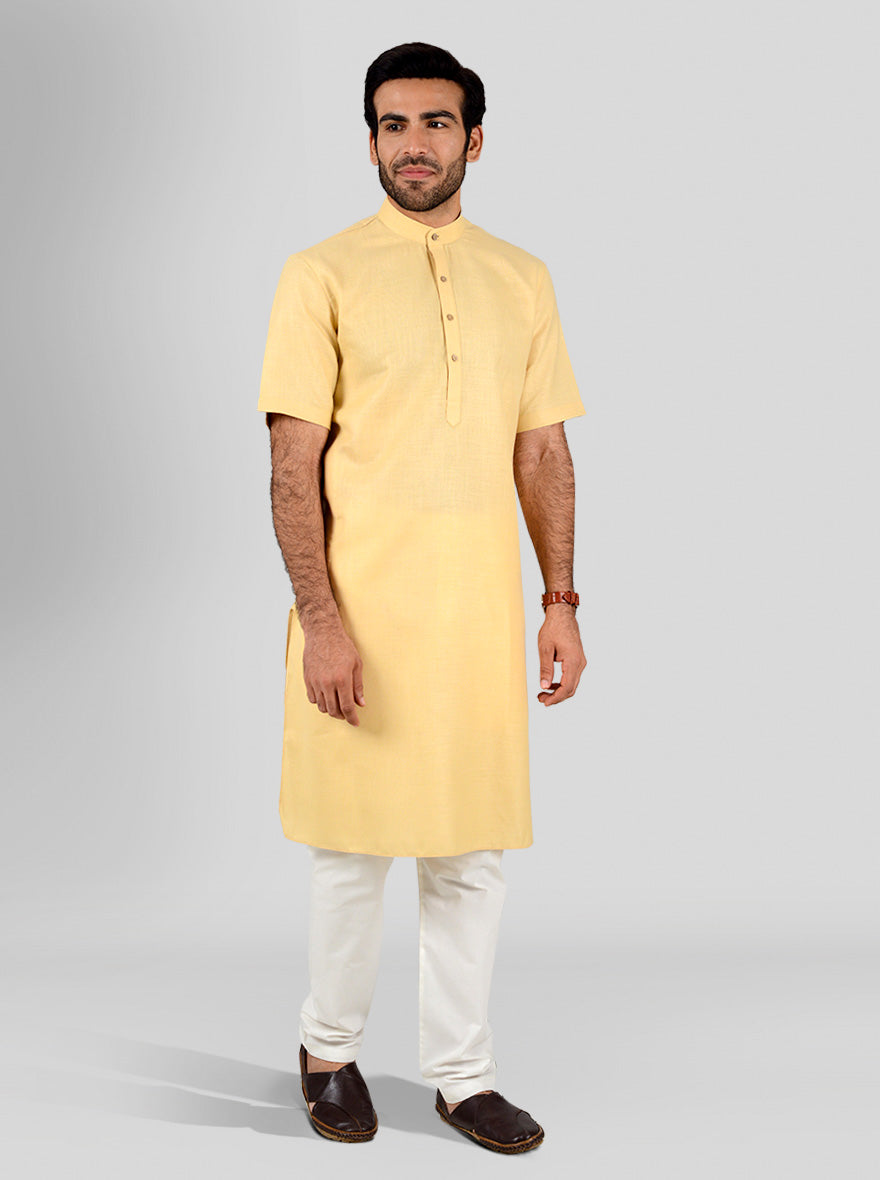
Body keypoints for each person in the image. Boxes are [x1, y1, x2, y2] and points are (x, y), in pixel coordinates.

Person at [257, 42, 587, 1153]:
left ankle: (462, 1076)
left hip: (475, 624)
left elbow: (541, 452)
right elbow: (291, 464)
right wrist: (322, 622)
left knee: (469, 855)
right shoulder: (320, 273)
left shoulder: (521, 277)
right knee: (352, 854)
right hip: (358, 620)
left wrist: (560, 601)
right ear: (370, 141)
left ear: (473, 140)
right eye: (391, 124)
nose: (412, 144)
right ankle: (328, 1052)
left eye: (435, 123)